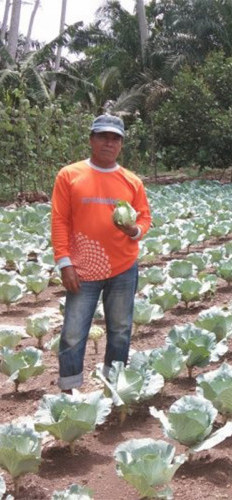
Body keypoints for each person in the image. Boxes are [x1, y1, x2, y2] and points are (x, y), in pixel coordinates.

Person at [51, 114, 151, 392]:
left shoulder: (132, 181)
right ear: (91, 140)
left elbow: (145, 219)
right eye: (103, 136)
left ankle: (114, 385)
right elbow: (59, 220)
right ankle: (69, 390)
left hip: (123, 267)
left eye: (115, 138)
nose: (109, 142)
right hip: (83, 269)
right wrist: (64, 262)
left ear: (121, 144)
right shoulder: (69, 175)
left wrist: (134, 230)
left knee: (120, 330)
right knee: (73, 332)